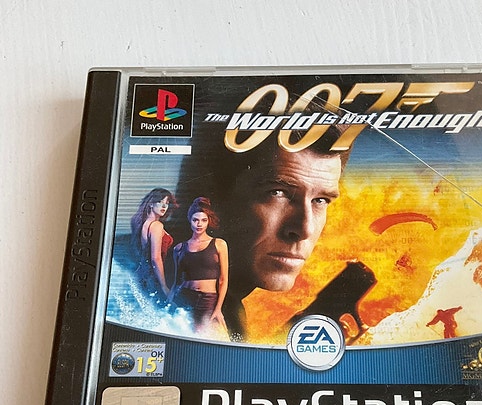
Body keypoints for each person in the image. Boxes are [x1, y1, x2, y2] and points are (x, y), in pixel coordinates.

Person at [208, 124, 352, 340]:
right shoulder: (195, 311)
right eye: (277, 193)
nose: (305, 229)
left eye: (320, 200)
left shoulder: (228, 309)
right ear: (218, 199)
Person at [170, 197, 229, 334]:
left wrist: (218, 308)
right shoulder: (179, 248)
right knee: (182, 334)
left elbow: (223, 279)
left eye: (204, 220)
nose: (199, 224)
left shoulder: (219, 244)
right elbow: (176, 281)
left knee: (206, 335)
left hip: (207, 299)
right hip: (184, 297)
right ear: (190, 220)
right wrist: (169, 301)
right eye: (195, 220)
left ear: (208, 221)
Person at [131, 188, 176, 302]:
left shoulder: (144, 223)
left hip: (143, 274)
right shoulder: (156, 225)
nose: (164, 206)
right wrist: (164, 286)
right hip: (154, 277)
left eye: (167, 203)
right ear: (151, 203)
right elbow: (155, 258)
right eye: (160, 202)